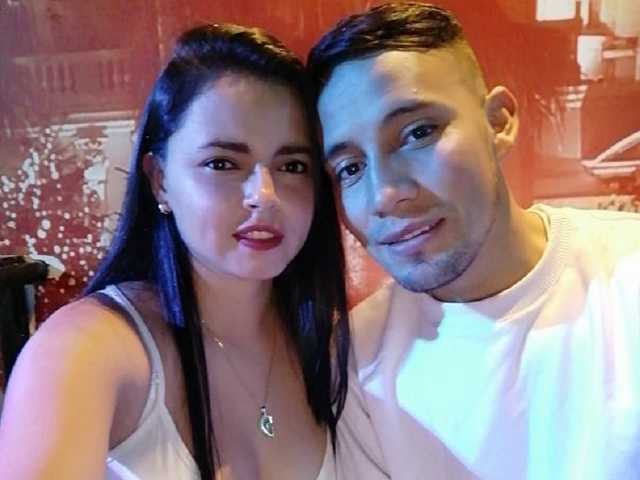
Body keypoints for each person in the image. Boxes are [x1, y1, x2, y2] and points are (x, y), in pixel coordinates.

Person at [0, 24, 352, 480]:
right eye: (223, 163)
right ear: (160, 180)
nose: (264, 195)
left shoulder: (331, 344)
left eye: (292, 165)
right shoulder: (87, 348)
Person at [308, 3, 640, 479]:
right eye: (350, 168)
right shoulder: (356, 361)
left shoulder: (628, 274)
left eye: (418, 133)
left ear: (499, 122)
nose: (385, 194)